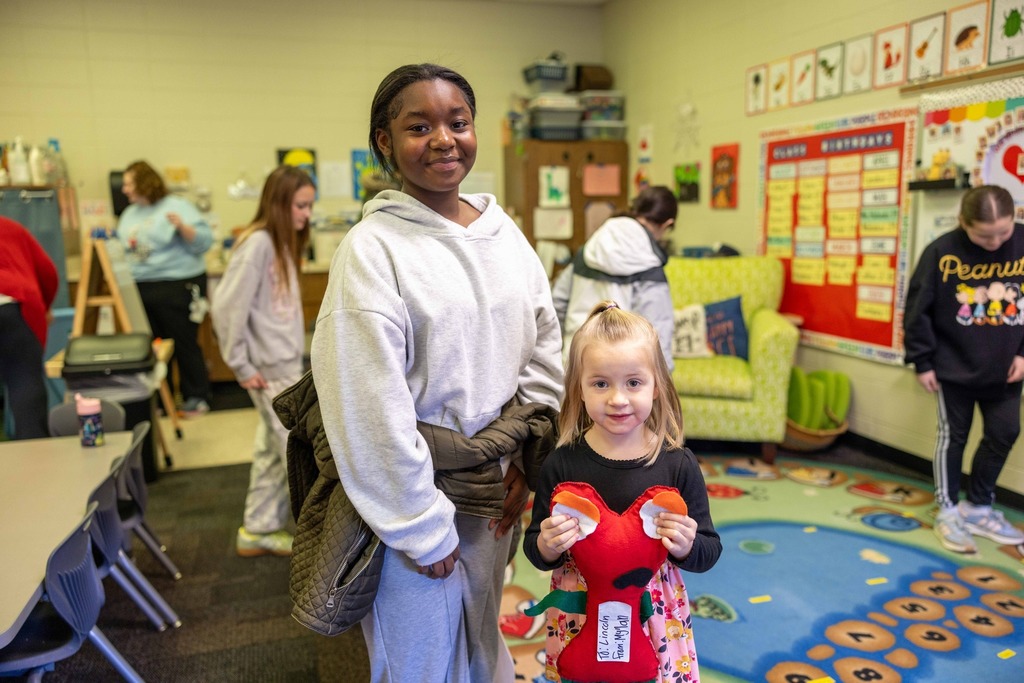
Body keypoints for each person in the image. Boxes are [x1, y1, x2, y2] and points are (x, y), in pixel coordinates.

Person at [309, 64, 563, 682]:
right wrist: (419, 525)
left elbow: (543, 350)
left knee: (482, 647)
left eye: (458, 122)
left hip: (493, 491)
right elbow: (365, 402)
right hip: (414, 499)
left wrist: (523, 461)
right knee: (419, 665)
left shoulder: (507, 239)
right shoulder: (372, 250)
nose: (444, 139)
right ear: (385, 143)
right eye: (419, 127)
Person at [524, 301, 721, 681]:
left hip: (655, 614)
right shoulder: (562, 463)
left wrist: (686, 546)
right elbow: (535, 546)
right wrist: (547, 544)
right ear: (578, 390)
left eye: (634, 382)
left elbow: (709, 550)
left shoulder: (677, 463)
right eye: (600, 383)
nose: (617, 399)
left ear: (657, 386)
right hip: (580, 611)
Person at [904, 184, 1024, 554]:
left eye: (1004, 232)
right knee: (952, 437)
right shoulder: (941, 251)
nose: (996, 241)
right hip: (952, 367)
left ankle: (979, 506)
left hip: (1006, 368)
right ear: (963, 223)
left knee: (1005, 431)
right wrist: (922, 361)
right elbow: (917, 309)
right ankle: (949, 511)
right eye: (984, 235)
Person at [211, 166, 315, 557]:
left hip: (284, 368)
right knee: (297, 453)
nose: (307, 214)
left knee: (272, 452)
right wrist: (240, 365)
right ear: (279, 203)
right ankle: (318, 538)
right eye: (301, 206)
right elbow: (226, 309)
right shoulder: (256, 245)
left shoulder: (280, 243)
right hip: (268, 373)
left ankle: (256, 528)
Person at [117, 160, 213, 417]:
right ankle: (162, 399)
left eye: (128, 183)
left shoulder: (177, 206)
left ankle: (196, 397)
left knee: (183, 342)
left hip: (177, 285)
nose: (124, 189)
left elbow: (204, 242)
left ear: (145, 183)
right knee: (154, 346)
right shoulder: (129, 214)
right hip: (141, 286)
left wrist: (183, 228)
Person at [555, 185, 678, 371]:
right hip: (625, 375)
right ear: (667, 224)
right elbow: (658, 333)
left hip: (576, 364)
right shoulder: (649, 263)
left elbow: (557, 305)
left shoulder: (590, 249)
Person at [0, 216, 58, 439]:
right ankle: (37, 462)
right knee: (24, 381)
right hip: (14, 306)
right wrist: (45, 306)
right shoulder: (11, 227)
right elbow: (48, 272)